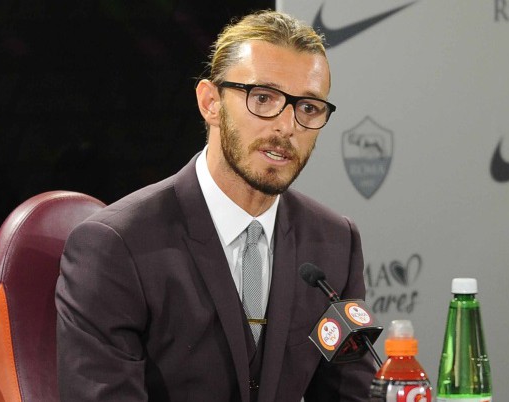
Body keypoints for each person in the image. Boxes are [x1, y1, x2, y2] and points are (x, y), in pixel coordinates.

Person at [55, 9, 375, 402]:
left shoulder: (335, 242)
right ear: (211, 103)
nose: (287, 126)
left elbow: (352, 394)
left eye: (308, 107)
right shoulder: (117, 246)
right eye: (263, 98)